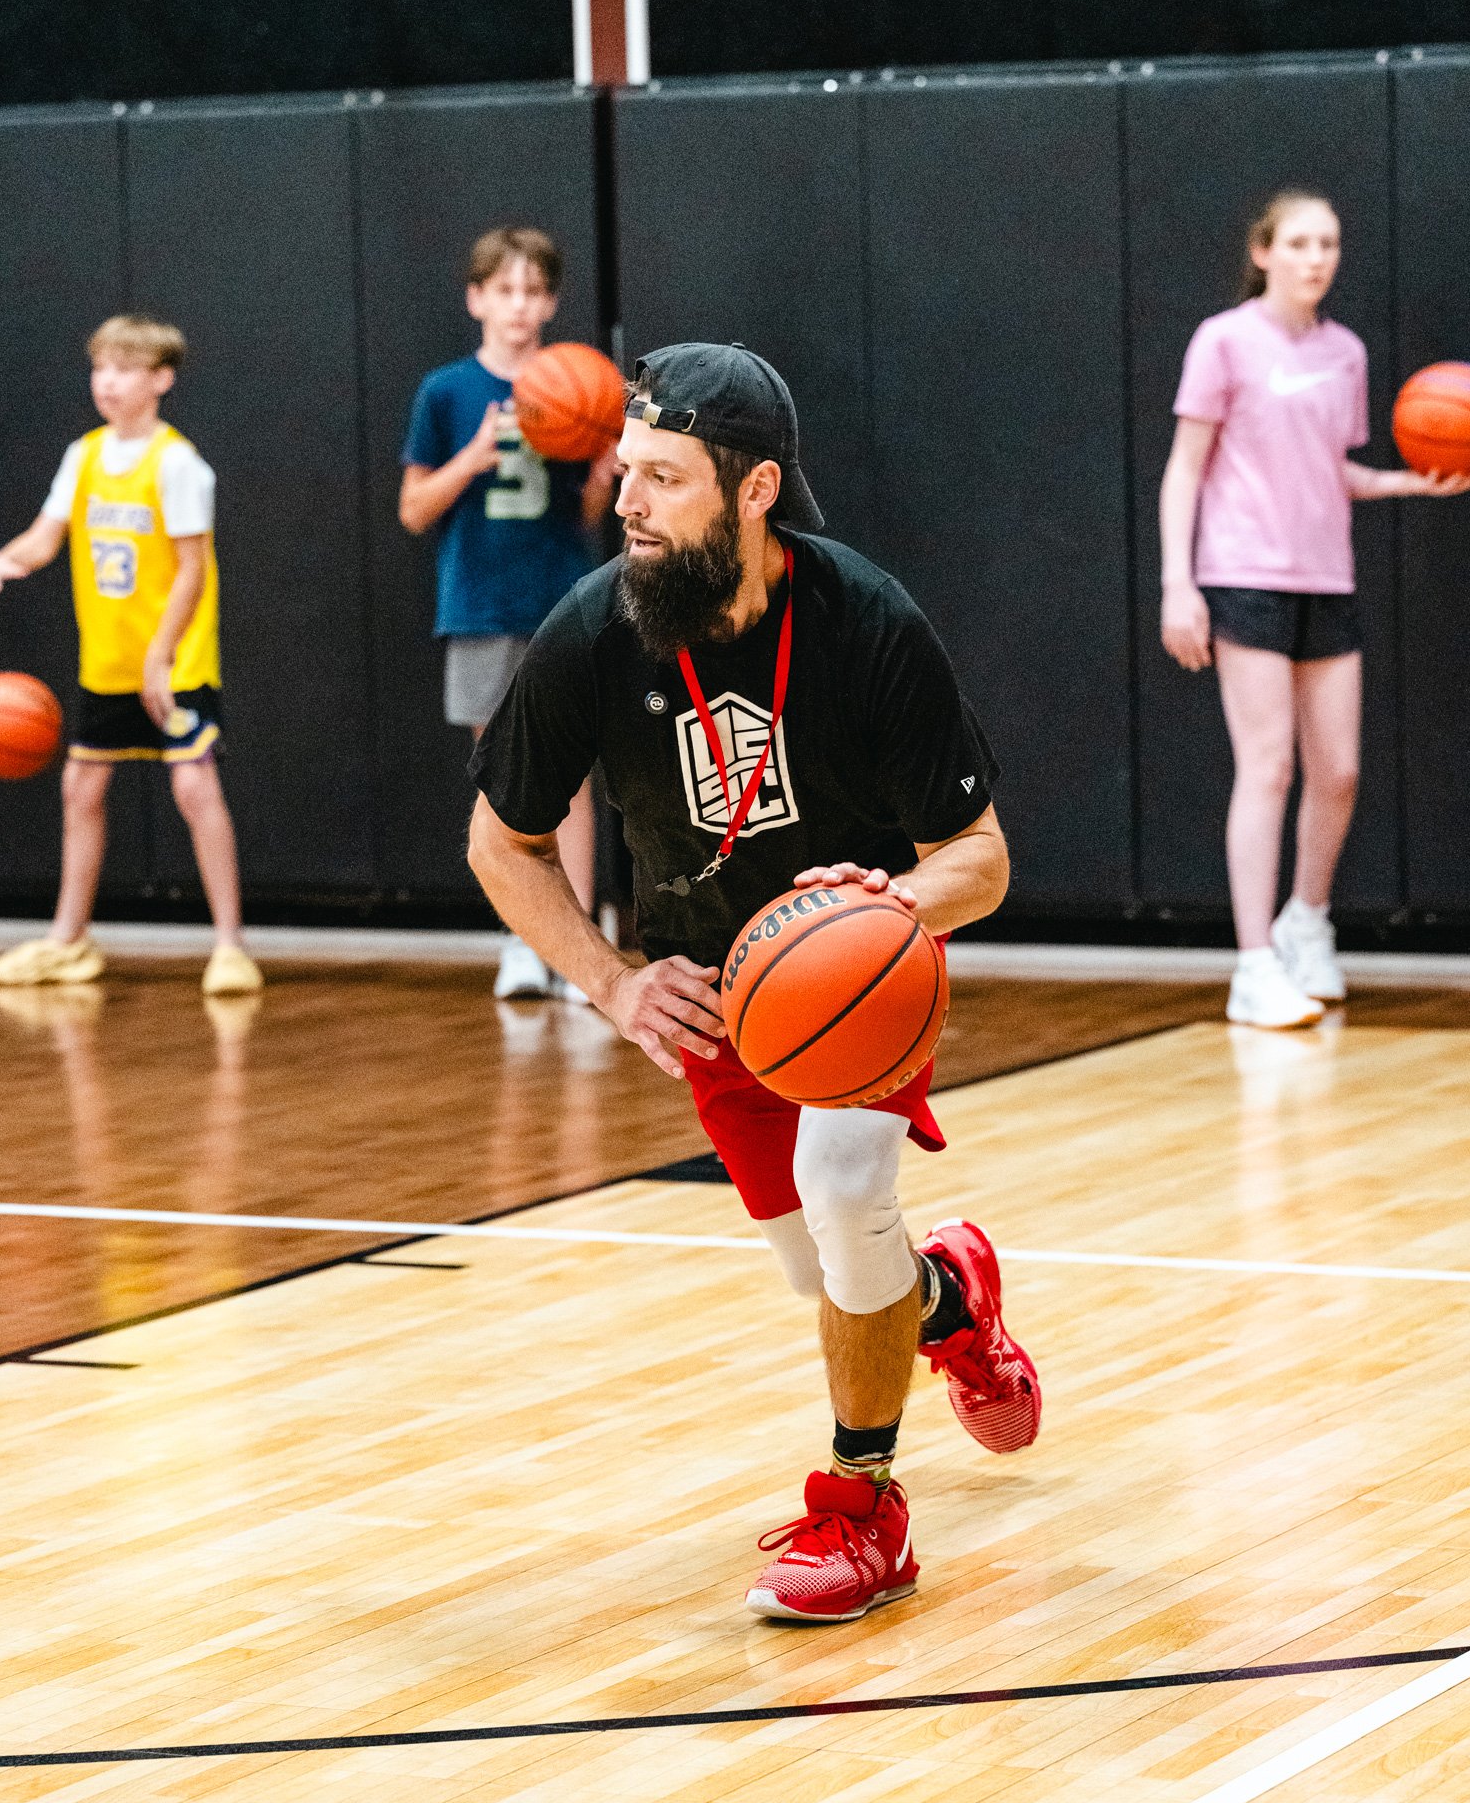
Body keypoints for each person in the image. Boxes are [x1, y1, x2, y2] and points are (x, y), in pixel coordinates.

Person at [467, 342, 1041, 1624]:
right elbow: (497, 845)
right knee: (824, 1272)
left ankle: (863, 1510)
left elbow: (982, 859)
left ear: (755, 489)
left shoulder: (866, 621)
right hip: (715, 998)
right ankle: (949, 1298)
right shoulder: (591, 633)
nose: (629, 504)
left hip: (849, 975)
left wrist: (888, 907)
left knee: (846, 1195)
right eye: (626, 474)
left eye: (664, 480)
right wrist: (611, 984)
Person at [1160, 191, 1470, 1031]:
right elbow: (1185, 468)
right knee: (1266, 767)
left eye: (1328, 243)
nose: (1315, 256)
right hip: (1241, 575)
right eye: (1298, 242)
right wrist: (1177, 584)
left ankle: (1306, 923)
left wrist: (1408, 480)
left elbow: (1333, 467)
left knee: (1336, 771)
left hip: (1324, 577)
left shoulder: (1344, 352)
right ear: (1263, 252)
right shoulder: (1222, 341)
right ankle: (1253, 964)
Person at [0, 315, 262, 998]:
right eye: (101, 368)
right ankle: (69, 939)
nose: (109, 381)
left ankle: (230, 945)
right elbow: (45, 538)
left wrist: (161, 657)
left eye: (126, 368)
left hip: (174, 661)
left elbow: (191, 571)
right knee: (81, 787)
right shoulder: (84, 456)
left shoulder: (179, 465)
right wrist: (4, 560)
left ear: (161, 379)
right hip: (110, 660)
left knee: (193, 787)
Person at [399, 226, 616, 1001]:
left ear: (551, 302)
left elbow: (590, 517)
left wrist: (600, 475)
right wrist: (470, 458)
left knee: (573, 778)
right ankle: (523, 940)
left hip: (564, 604)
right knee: (505, 780)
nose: (519, 305)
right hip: (480, 604)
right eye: (505, 290)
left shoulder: (580, 383)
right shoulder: (447, 392)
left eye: (533, 291)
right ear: (476, 298)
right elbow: (413, 510)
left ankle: (581, 944)